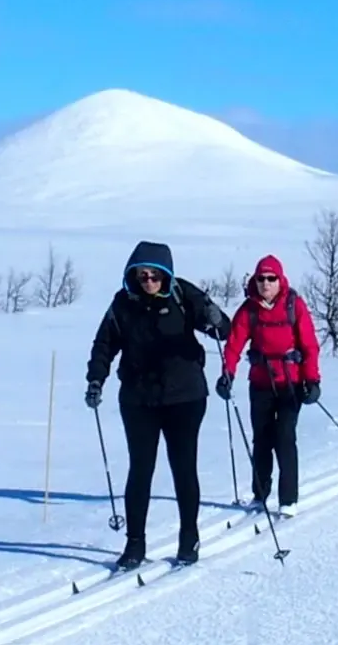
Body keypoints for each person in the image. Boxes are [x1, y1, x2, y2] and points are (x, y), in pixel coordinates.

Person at [85, 240, 231, 569]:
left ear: (166, 274)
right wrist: (96, 379)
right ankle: (134, 545)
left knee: (183, 467)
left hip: (185, 397)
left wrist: (215, 318)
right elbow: (104, 344)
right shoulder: (122, 304)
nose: (148, 281)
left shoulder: (184, 295)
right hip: (139, 399)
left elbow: (225, 331)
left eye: (154, 276)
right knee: (140, 470)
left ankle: (189, 539)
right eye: (142, 276)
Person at [216, 255, 320, 518]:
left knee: (285, 438)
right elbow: (234, 343)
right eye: (261, 278)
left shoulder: (294, 306)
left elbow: (309, 345)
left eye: (271, 278)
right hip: (261, 383)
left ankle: (288, 500)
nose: (265, 283)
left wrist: (312, 380)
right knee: (261, 439)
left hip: (291, 384)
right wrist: (227, 373)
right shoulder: (250, 309)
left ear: (280, 280)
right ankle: (260, 495)